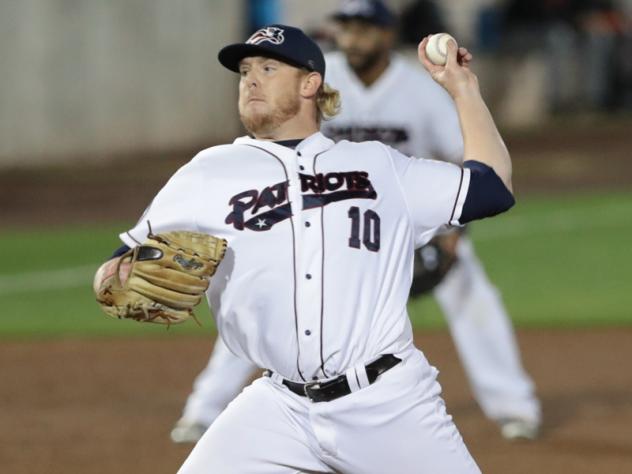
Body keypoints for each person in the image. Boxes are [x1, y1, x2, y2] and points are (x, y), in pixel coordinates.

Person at [94, 20, 517, 472]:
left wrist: (463, 89)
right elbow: (120, 264)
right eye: (245, 71)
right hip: (278, 409)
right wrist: (114, 278)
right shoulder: (207, 173)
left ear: (310, 83)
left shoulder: (377, 165)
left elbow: (492, 188)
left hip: (388, 404)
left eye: (269, 67)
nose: (251, 79)